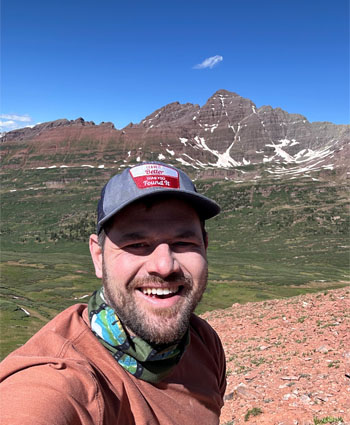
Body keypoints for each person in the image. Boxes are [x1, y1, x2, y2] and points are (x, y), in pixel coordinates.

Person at [0, 161, 226, 425]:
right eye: (137, 244)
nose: (164, 266)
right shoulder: (60, 378)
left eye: (184, 243)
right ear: (98, 256)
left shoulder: (202, 341)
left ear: (205, 247)